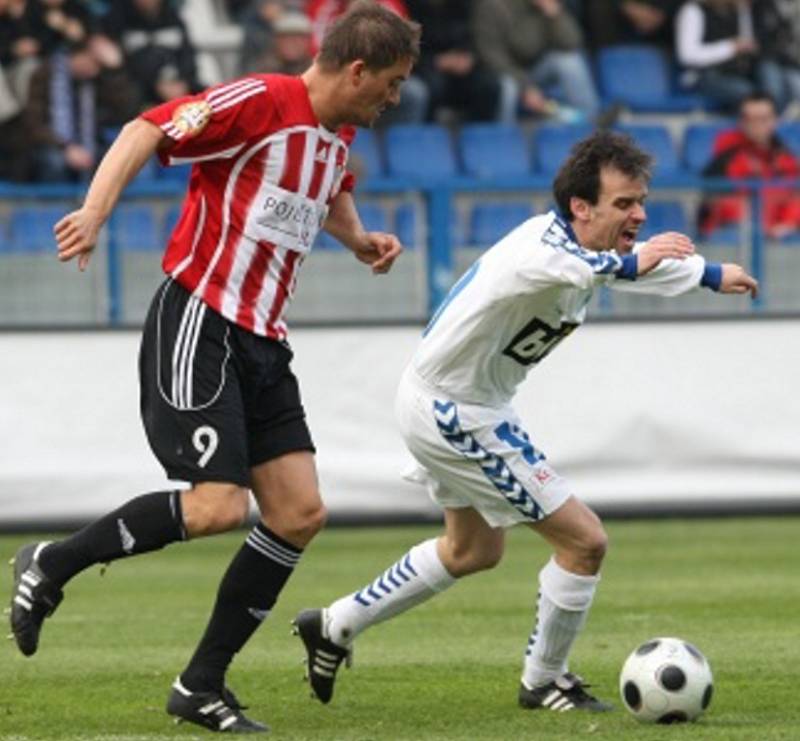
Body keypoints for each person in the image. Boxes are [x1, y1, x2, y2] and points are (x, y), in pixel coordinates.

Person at [9, 2, 418, 733]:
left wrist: (357, 239)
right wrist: (95, 212)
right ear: (357, 70)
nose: (394, 98)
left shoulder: (336, 131)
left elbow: (328, 188)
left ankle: (200, 684)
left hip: (264, 340)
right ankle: (52, 561)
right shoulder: (261, 100)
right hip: (201, 318)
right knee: (218, 506)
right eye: (389, 83)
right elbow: (146, 127)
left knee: (299, 514)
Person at [293, 130, 758, 713]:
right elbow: (598, 268)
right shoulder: (538, 250)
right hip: (454, 411)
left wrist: (711, 275)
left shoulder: (582, 252)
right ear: (580, 208)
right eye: (624, 203)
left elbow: (614, 269)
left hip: (453, 401)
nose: (638, 213)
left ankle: (335, 623)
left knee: (472, 550)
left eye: (640, 201)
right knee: (584, 542)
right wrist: (656, 261)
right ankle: (544, 680)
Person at [473, 0, 601, 123]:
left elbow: (572, 44)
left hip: (536, 71)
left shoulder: (547, 6)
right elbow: (492, 56)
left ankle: (591, 124)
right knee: (508, 86)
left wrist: (555, 16)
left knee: (569, 61)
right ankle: (504, 139)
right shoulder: (493, 5)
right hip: (501, 75)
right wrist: (525, 86)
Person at [698, 92, 800, 240]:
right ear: (742, 122)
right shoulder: (725, 156)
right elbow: (717, 202)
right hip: (736, 232)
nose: (757, 125)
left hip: (776, 232)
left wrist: (787, 222)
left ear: (774, 120)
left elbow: (795, 196)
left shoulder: (786, 158)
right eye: (751, 119)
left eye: (763, 119)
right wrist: (762, 227)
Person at [674, 0, 759, 113]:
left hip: (736, 73)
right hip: (702, 75)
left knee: (771, 89)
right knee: (752, 97)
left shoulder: (736, 10)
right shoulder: (693, 10)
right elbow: (687, 56)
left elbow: (747, 42)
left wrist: (744, 12)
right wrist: (730, 47)